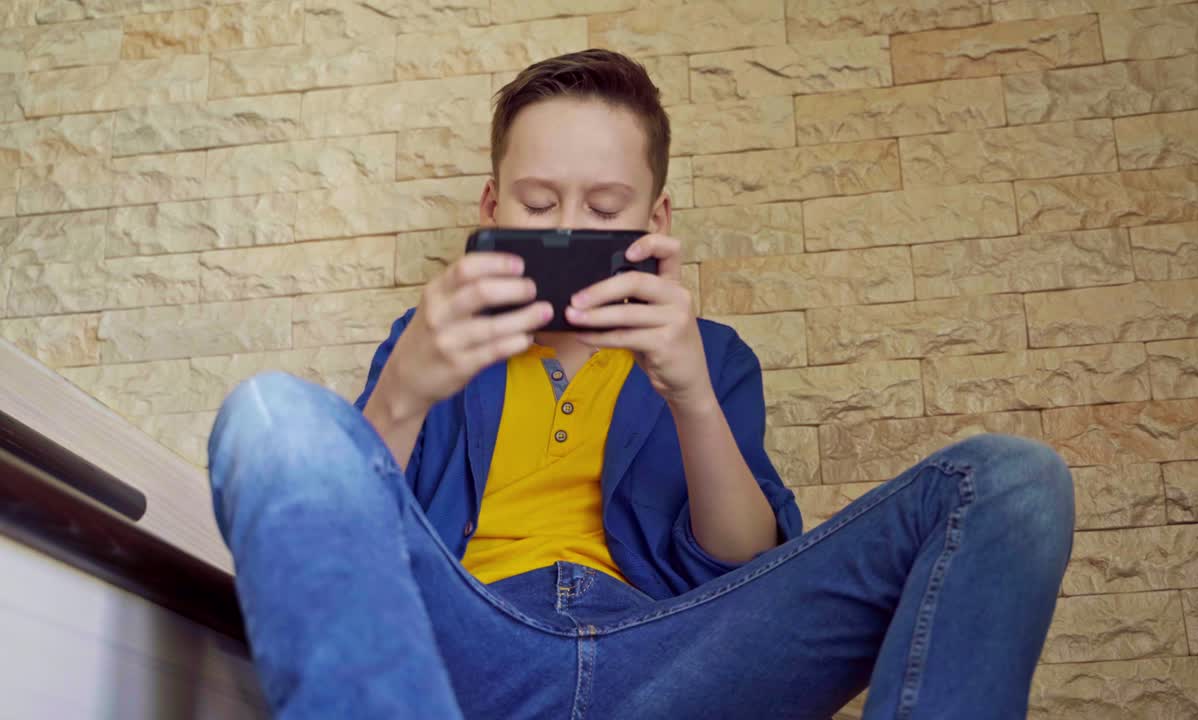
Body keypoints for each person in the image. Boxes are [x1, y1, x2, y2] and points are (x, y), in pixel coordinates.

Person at [207, 49, 1075, 720]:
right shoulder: (433, 339)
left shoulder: (711, 355)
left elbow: (741, 563)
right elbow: (357, 535)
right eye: (539, 204)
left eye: (604, 205)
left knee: (1010, 480)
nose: (569, 228)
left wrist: (690, 391)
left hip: (675, 660)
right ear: (490, 207)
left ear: (656, 220)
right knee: (271, 411)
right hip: (468, 648)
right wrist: (404, 391)